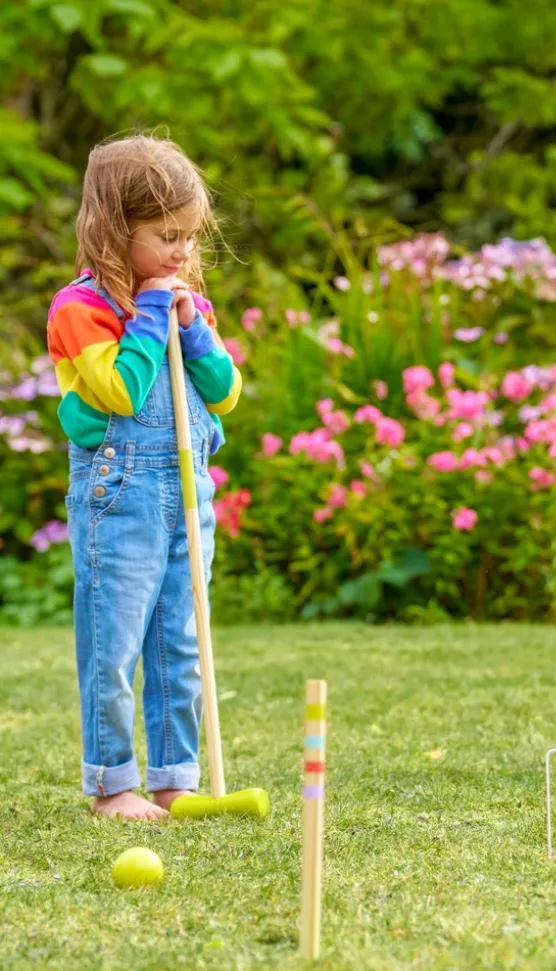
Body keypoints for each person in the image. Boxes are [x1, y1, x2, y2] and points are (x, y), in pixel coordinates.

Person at [47, 134, 242, 818]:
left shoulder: (186, 302)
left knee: (181, 643)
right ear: (113, 229)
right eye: (166, 236)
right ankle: (111, 782)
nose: (182, 253)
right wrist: (155, 315)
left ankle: (175, 777)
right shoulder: (82, 309)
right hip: (120, 497)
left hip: (189, 495)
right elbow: (121, 391)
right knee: (115, 641)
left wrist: (194, 331)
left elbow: (225, 392)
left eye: (189, 237)